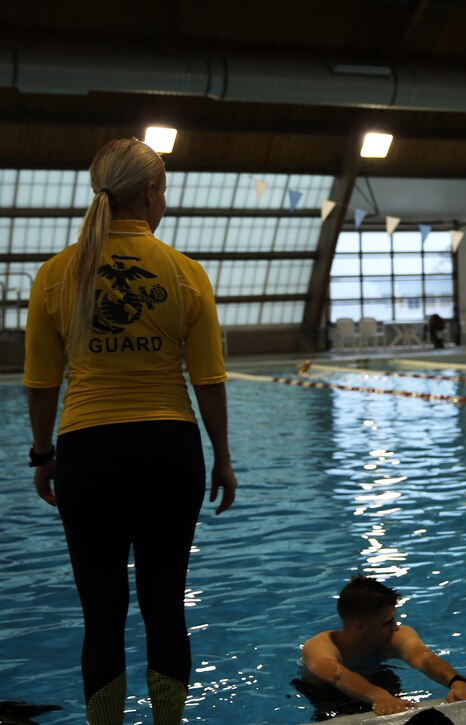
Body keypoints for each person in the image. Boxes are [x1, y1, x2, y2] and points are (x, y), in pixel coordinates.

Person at [23, 138, 237, 724]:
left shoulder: (55, 274)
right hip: (169, 449)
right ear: (150, 192)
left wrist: (44, 454)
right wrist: (222, 456)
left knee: (102, 612)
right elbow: (208, 380)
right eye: (163, 188)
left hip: (88, 451)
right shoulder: (185, 272)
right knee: (164, 605)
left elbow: (41, 383)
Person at [301, 576, 466, 716]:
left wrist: (456, 682)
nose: (396, 627)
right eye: (387, 623)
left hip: (379, 679)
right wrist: (378, 695)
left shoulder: (396, 637)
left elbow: (423, 656)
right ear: (359, 626)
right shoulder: (319, 647)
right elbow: (337, 675)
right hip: (328, 694)